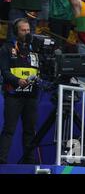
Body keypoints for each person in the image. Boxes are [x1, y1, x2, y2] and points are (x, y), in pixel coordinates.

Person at [0, 18, 41, 164]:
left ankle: (29, 162)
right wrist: (17, 81)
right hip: (13, 95)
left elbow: (39, 70)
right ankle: (1, 162)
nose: (27, 33)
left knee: (30, 131)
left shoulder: (35, 49)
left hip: (31, 96)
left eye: (28, 30)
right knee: (9, 129)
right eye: (23, 30)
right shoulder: (7, 48)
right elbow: (4, 71)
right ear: (16, 32)